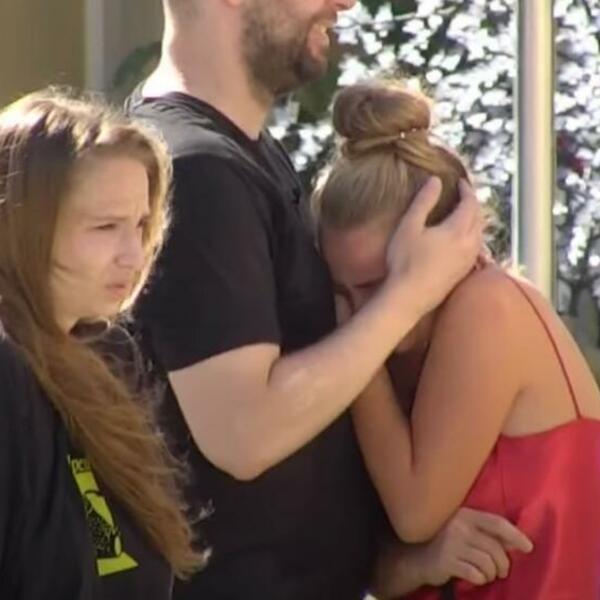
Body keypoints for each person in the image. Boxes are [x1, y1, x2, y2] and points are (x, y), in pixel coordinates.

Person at [126, 1, 531, 598]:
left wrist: (403, 562)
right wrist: (408, 294)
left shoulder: (243, 156)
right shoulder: (198, 170)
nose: (344, 2)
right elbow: (245, 433)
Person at [313, 79, 600, 598]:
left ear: (442, 248)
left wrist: (351, 342)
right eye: (340, 292)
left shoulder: (488, 306)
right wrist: (414, 565)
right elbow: (371, 563)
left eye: (378, 286)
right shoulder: (399, 358)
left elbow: (415, 512)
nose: (359, 313)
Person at [0, 89, 204, 599]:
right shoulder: (9, 374)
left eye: (141, 225)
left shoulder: (107, 357)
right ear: (20, 223)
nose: (134, 255)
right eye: (105, 227)